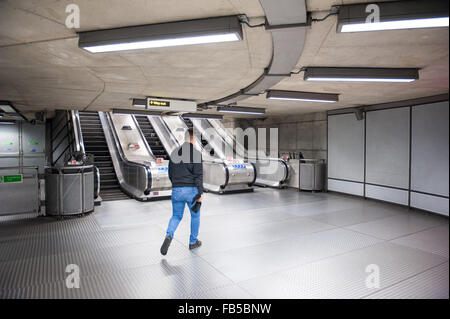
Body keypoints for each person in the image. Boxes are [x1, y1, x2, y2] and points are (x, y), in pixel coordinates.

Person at [160, 128, 203, 256]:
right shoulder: (196, 154)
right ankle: (192, 242)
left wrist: (176, 185)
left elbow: (170, 173)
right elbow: (198, 175)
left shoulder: (174, 153)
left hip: (176, 190)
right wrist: (200, 193)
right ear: (193, 139)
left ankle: (169, 234)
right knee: (195, 216)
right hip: (191, 191)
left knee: (176, 216)